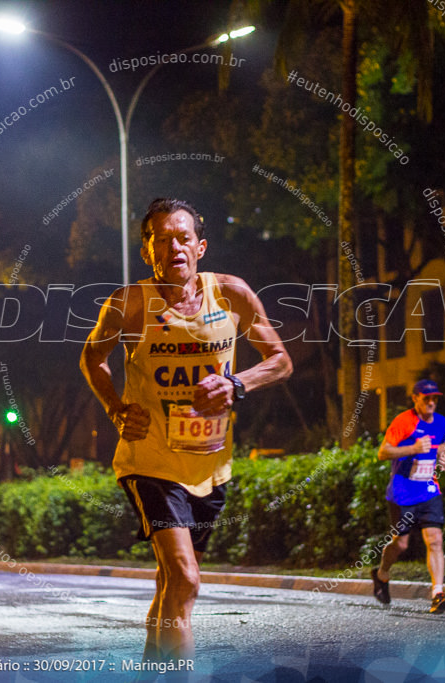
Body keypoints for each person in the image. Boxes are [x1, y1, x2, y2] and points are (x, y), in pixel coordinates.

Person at [81, 198, 293, 661]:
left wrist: (237, 383)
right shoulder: (130, 304)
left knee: (171, 583)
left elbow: (280, 360)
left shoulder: (232, 294)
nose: (173, 247)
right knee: (187, 580)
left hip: (210, 466)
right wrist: (116, 409)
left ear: (200, 247)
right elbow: (92, 357)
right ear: (147, 251)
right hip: (149, 461)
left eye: (182, 238)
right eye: (162, 239)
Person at [371, 379, 445, 613]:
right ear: (415, 398)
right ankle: (382, 574)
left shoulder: (441, 423)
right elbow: (383, 452)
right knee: (401, 543)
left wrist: (444, 460)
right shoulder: (403, 421)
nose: (431, 402)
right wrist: (413, 449)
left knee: (435, 539)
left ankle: (437, 594)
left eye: (434, 398)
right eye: (426, 398)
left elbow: (441, 450)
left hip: (429, 489)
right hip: (402, 491)